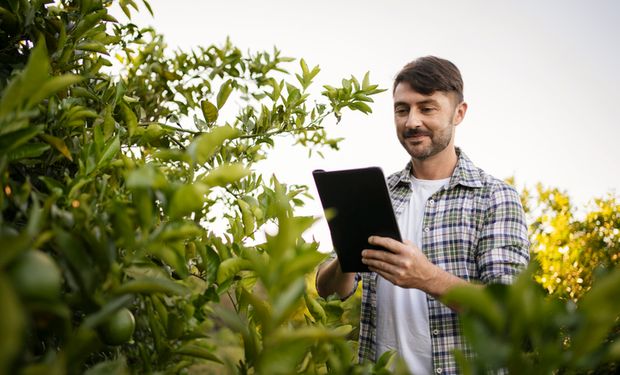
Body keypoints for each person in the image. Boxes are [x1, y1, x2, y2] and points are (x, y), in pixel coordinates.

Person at [315, 56, 530, 375]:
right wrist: (347, 252)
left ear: (459, 113)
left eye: (427, 108)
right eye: (402, 109)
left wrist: (426, 276)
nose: (411, 121)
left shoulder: (495, 197)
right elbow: (329, 290)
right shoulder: (377, 193)